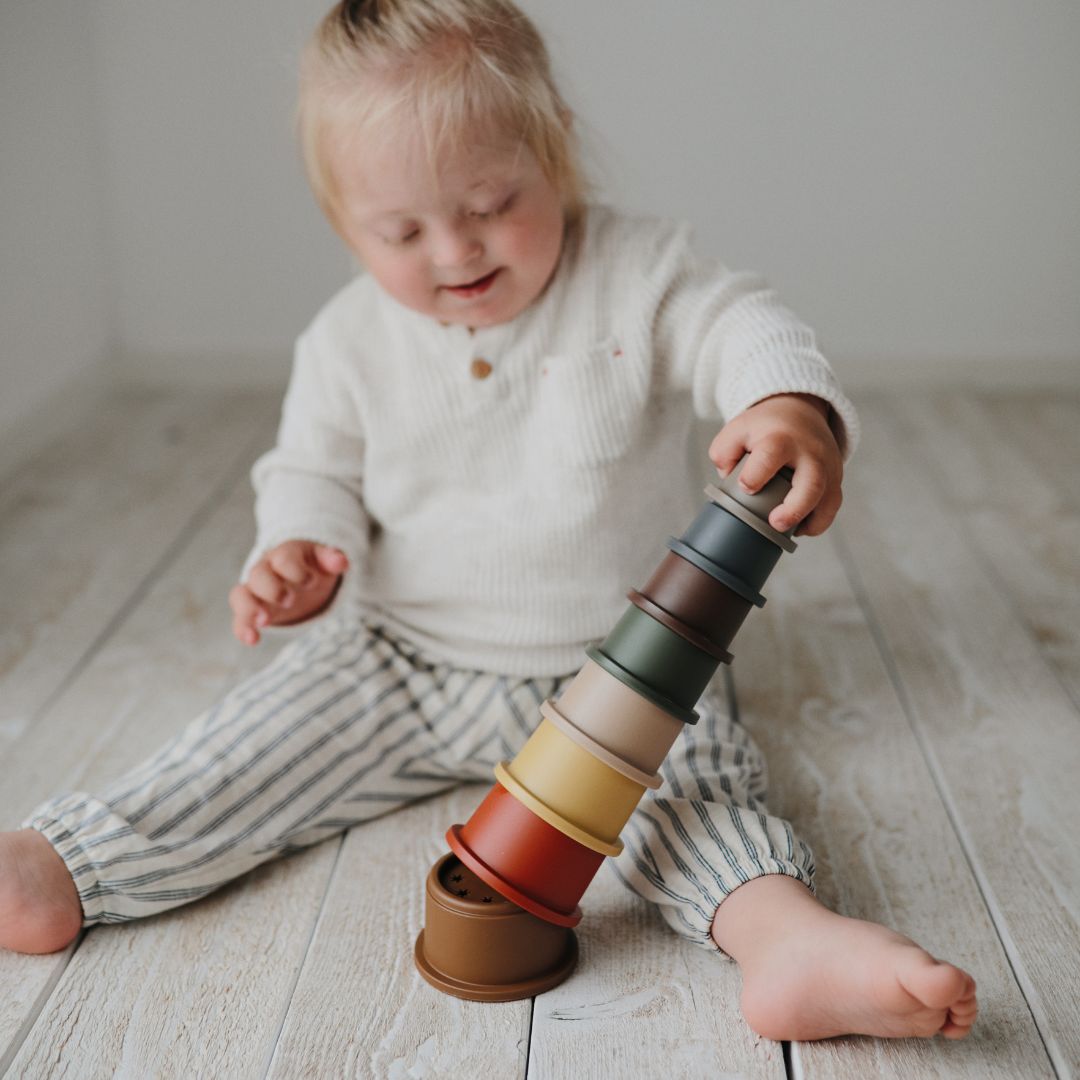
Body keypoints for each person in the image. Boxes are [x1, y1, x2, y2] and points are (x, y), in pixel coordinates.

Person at [0, 0, 976, 1042]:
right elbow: (309, 466)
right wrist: (296, 544)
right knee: (256, 742)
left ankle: (786, 939)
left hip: (616, 676)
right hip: (403, 657)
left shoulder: (640, 275)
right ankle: (69, 859)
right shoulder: (348, 342)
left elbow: (744, 320)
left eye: (491, 202)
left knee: (692, 794)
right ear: (345, 224)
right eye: (402, 230)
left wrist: (786, 402)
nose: (454, 249)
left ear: (554, 151)